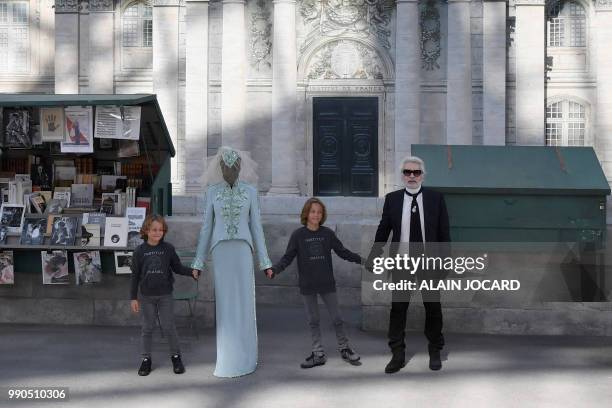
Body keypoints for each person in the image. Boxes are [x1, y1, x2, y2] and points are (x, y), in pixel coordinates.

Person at [191, 146, 272, 378]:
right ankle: (227, 358)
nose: (230, 171)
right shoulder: (212, 192)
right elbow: (206, 228)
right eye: (226, 167)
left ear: (240, 167)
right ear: (220, 168)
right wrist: (198, 261)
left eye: (234, 167)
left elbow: (257, 228)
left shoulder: (250, 191)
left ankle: (247, 357)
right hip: (220, 251)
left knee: (245, 304)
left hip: (243, 250)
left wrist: (265, 261)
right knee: (226, 307)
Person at [367, 156, 450, 373]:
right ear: (402, 175)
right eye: (407, 172)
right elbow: (384, 228)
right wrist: (375, 253)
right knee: (398, 308)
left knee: (433, 307)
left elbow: (444, 233)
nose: (411, 176)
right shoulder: (392, 199)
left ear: (423, 175)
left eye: (416, 172)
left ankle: (435, 350)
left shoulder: (436, 198)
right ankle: (397, 354)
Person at [266, 198, 363, 368]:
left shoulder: (327, 234)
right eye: (313, 211)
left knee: (337, 318)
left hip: (327, 283)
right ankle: (318, 353)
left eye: (319, 212)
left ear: (322, 215)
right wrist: (275, 269)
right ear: (306, 213)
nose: (316, 215)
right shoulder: (298, 235)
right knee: (314, 320)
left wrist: (362, 260)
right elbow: (288, 257)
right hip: (308, 284)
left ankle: (344, 348)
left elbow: (343, 252)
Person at [130, 214, 200, 376]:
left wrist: (192, 272)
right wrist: (133, 297)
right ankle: (146, 360)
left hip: (165, 295)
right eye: (154, 229)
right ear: (146, 230)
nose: (157, 232)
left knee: (169, 327)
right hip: (146, 296)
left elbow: (177, 267)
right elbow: (134, 276)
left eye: (160, 230)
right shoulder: (139, 251)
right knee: (147, 328)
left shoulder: (168, 249)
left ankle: (176, 357)